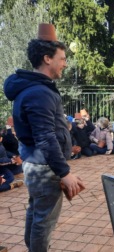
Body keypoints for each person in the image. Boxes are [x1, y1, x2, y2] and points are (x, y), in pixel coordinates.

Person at [3, 23, 84, 251]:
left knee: (36, 212)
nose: (65, 63)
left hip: (36, 163)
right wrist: (65, 172)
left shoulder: (34, 89)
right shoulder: (39, 92)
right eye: (62, 58)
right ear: (48, 59)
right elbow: (46, 138)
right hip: (45, 167)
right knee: (44, 220)